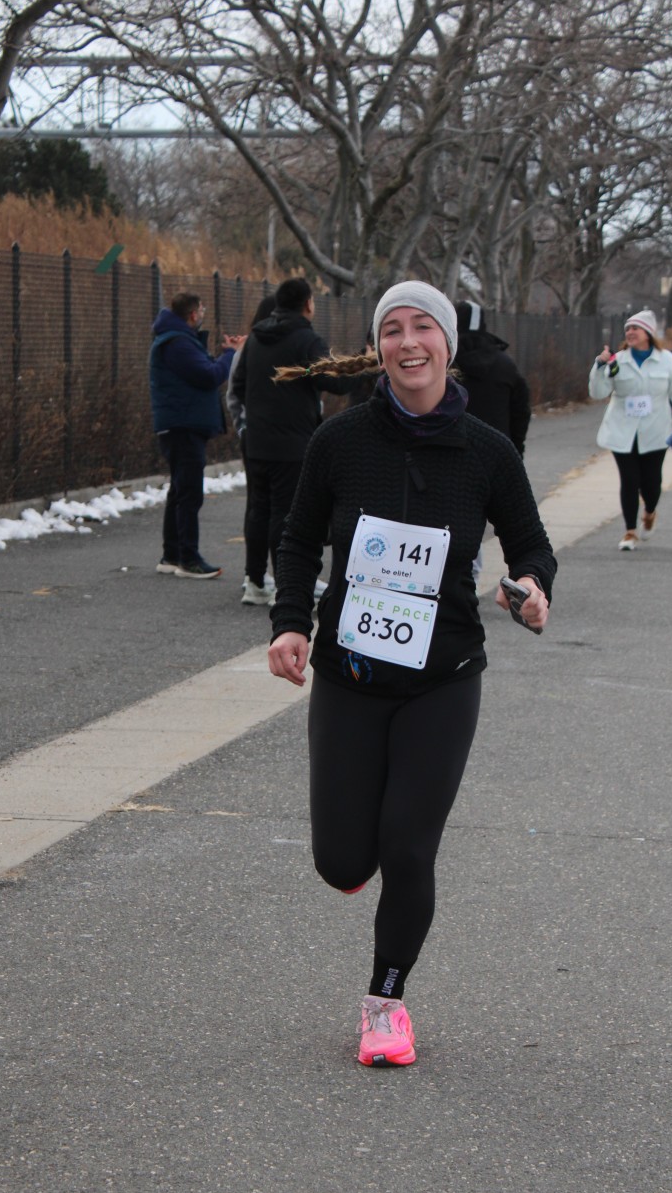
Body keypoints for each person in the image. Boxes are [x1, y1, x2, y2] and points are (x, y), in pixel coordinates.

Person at [267, 280, 556, 1068]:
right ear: (379, 347)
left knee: (408, 847)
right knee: (341, 862)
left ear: (446, 343)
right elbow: (297, 540)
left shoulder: (487, 451)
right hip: (350, 674)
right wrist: (291, 622)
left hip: (444, 677)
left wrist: (532, 589)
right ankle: (353, 861)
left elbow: (531, 546)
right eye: (391, 328)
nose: (407, 341)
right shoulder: (340, 441)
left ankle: (385, 1004)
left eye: (422, 326)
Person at [229, 277, 355, 606]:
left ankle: (256, 581)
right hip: (292, 442)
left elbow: (238, 385)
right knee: (285, 515)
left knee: (259, 511)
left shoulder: (255, 339)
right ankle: (286, 586)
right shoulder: (305, 340)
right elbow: (335, 381)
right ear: (308, 304)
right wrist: (363, 367)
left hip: (256, 441)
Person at [149, 291, 243, 578]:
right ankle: (188, 559)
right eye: (201, 310)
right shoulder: (177, 343)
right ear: (192, 314)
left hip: (180, 424)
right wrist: (230, 355)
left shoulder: (178, 340)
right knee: (189, 493)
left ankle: (172, 554)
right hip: (183, 426)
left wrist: (224, 353)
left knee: (180, 490)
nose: (203, 314)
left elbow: (201, 369)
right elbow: (209, 375)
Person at [589, 310, 672, 551]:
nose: (630, 332)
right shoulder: (618, 360)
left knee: (651, 482)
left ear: (648, 333)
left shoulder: (666, 360)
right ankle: (630, 531)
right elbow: (598, 392)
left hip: (655, 430)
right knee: (629, 480)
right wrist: (600, 366)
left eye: (635, 328)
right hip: (622, 431)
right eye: (627, 329)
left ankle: (649, 512)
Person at [226, 292, 277, 603]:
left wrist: (242, 426)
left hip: (253, 436)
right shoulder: (289, 345)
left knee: (257, 505)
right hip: (278, 439)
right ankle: (276, 577)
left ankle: (254, 575)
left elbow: (233, 393)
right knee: (279, 507)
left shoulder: (248, 347)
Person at [454, 302, 532, 456]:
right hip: (497, 453)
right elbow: (521, 411)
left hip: (450, 454)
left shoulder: (444, 363)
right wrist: (515, 450)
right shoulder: (505, 365)